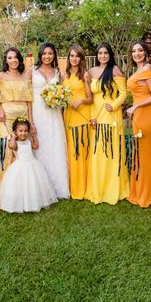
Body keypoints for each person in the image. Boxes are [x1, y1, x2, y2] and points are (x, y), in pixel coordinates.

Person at [86, 42, 128, 205]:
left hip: (110, 113)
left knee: (110, 149)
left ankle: (112, 187)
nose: (103, 56)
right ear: (97, 55)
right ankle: (98, 187)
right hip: (94, 114)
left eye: (105, 53)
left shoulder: (115, 70)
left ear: (110, 55)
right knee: (98, 151)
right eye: (100, 53)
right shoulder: (91, 71)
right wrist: (91, 116)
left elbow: (124, 93)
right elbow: (89, 94)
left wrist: (115, 105)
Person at [31, 42, 70, 199]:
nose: (47, 56)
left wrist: (60, 98)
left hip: (54, 114)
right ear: (40, 54)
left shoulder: (58, 72)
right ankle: (40, 187)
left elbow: (66, 89)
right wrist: (30, 119)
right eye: (44, 53)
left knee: (55, 146)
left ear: (54, 56)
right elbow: (27, 96)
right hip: (38, 111)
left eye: (50, 54)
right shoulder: (32, 71)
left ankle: (58, 187)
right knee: (40, 145)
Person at [0, 117, 58, 212]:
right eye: (20, 131)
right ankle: (19, 202)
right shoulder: (15, 143)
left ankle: (33, 201)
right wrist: (12, 137)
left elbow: (36, 146)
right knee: (19, 185)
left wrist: (34, 136)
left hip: (32, 165)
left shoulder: (28, 141)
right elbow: (11, 146)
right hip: (20, 166)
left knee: (32, 184)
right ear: (15, 131)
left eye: (25, 131)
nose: (23, 133)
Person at [125, 41, 151, 208]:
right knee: (139, 152)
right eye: (134, 51)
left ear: (146, 53)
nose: (137, 53)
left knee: (144, 153)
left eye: (140, 50)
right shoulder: (139, 70)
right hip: (137, 113)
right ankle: (138, 189)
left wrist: (136, 106)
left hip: (145, 113)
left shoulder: (148, 70)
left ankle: (147, 193)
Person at [0, 47, 33, 188]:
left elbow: (29, 101)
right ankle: (5, 188)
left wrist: (31, 121)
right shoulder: (0, 76)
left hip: (22, 117)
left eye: (15, 57)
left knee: (22, 153)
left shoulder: (26, 76)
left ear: (19, 59)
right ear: (6, 60)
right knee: (8, 150)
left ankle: (22, 188)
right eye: (9, 58)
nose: (13, 60)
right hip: (6, 117)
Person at [63, 45, 93, 200]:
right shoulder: (64, 76)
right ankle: (71, 185)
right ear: (68, 58)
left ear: (81, 58)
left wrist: (80, 100)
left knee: (80, 149)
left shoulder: (85, 75)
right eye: (71, 56)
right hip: (68, 114)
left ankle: (82, 186)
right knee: (70, 150)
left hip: (81, 114)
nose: (74, 59)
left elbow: (90, 99)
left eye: (77, 56)